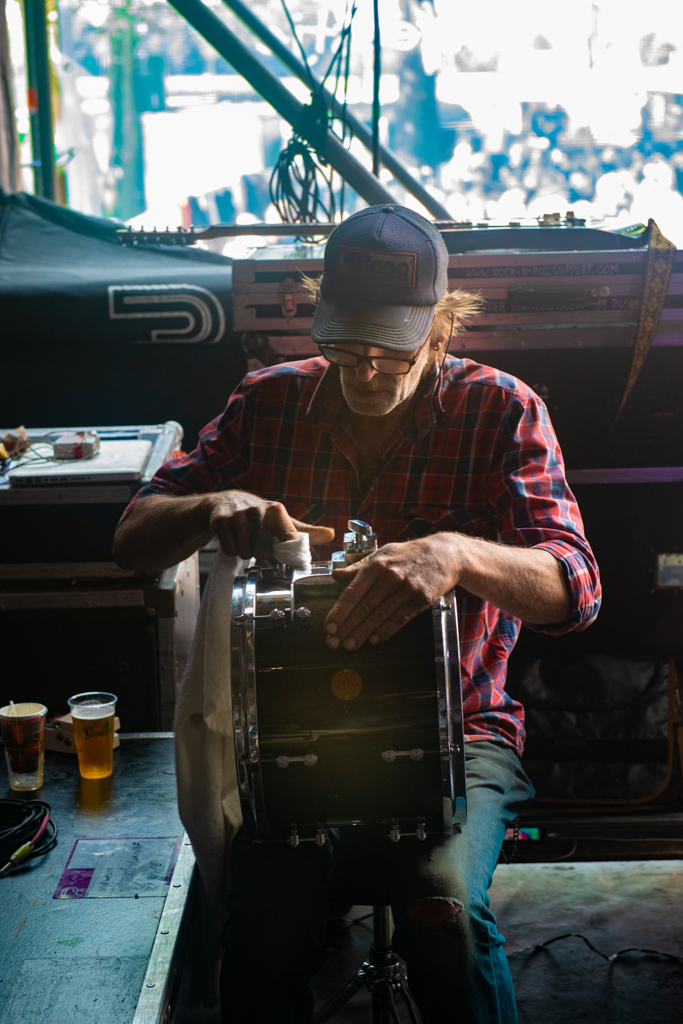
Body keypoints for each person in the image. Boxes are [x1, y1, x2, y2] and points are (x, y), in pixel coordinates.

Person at [114, 204, 601, 1024]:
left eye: (391, 348)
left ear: (441, 325)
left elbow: (575, 589)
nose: (367, 371)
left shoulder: (501, 409)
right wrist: (211, 507)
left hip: (461, 729)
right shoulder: (268, 400)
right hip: (294, 735)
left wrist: (457, 555)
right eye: (346, 345)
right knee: (259, 927)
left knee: (441, 907)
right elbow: (131, 538)